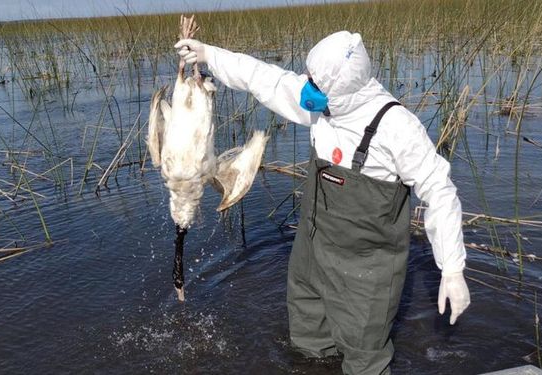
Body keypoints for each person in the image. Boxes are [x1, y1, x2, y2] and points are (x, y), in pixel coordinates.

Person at [175, 31, 470, 375]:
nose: (308, 88)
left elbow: (440, 191)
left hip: (367, 272)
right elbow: (263, 78)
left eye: (316, 83)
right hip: (311, 254)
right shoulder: (321, 105)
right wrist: (208, 54)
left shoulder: (397, 128)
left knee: (365, 359)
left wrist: (451, 269)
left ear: (341, 92)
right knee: (308, 343)